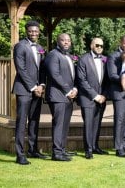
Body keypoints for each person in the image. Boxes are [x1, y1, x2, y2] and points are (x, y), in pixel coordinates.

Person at [12, 20, 47, 165]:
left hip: (37, 90)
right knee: (21, 122)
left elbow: (43, 69)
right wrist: (33, 87)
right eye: (31, 31)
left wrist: (42, 85)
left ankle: (33, 150)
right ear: (26, 31)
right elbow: (21, 69)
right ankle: (20, 154)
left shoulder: (40, 48)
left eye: (36, 31)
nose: (34, 33)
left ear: (39, 32)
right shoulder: (20, 46)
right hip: (24, 90)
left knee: (34, 121)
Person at [45, 33, 78, 161]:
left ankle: (62, 150)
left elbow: (72, 76)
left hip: (68, 96)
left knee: (65, 124)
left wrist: (74, 89)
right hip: (57, 96)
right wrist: (67, 90)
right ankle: (56, 153)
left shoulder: (69, 56)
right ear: (57, 42)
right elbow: (55, 74)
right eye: (63, 40)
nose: (66, 42)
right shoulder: (53, 55)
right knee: (59, 124)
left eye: (68, 40)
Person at [76, 38, 109, 159]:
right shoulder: (83, 59)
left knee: (97, 123)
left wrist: (104, 95)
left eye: (101, 45)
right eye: (97, 45)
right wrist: (95, 96)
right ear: (91, 46)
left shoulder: (105, 60)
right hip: (88, 98)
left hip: (102, 98)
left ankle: (95, 146)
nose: (100, 47)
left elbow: (107, 80)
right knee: (88, 124)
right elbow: (82, 80)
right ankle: (88, 150)